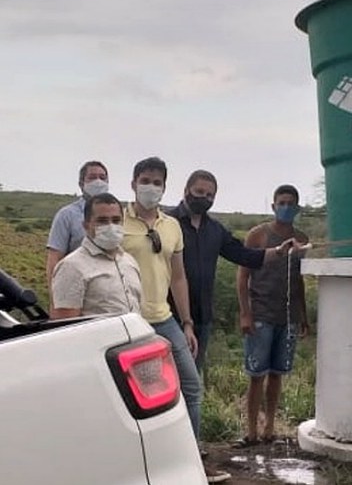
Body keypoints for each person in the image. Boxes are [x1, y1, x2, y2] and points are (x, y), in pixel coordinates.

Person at [121, 156, 229, 483]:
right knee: (135, 395)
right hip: (128, 323)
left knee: (190, 387)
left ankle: (191, 460)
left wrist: (187, 323)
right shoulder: (118, 222)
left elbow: (178, 278)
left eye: (157, 182)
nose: (151, 187)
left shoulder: (171, 226)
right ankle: (138, 462)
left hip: (164, 318)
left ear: (165, 187)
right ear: (133, 183)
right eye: (146, 180)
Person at [167, 169, 295, 374]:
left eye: (210, 195)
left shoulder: (215, 230)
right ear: (186, 190)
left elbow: (244, 255)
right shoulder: (167, 224)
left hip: (202, 318)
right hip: (168, 318)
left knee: (192, 378)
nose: (204, 198)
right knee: (169, 381)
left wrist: (280, 251)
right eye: (199, 192)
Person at [234, 184, 310, 447]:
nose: (286, 207)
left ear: (298, 208)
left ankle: (270, 429)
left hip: (286, 316)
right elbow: (243, 277)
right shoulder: (258, 235)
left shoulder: (301, 238)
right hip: (260, 314)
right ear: (273, 205)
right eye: (282, 202)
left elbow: (298, 280)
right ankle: (251, 431)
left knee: (277, 373)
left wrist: (303, 315)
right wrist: (245, 313)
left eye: (291, 203)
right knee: (257, 375)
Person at [50, 193, 141, 318]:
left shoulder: (130, 262)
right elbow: (64, 326)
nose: (110, 226)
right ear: (86, 226)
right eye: (102, 221)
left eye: (116, 220)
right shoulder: (71, 267)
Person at [46, 161, 109, 305]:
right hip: (75, 293)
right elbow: (53, 261)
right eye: (92, 177)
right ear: (81, 184)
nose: (98, 181)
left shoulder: (116, 215)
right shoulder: (66, 215)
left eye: (102, 177)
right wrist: (55, 301)